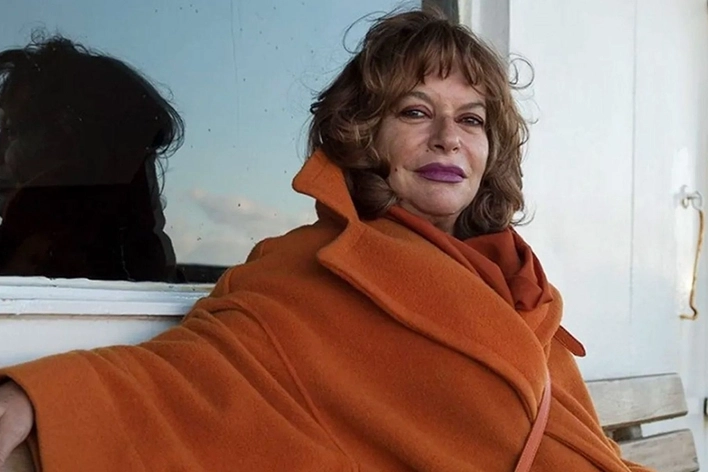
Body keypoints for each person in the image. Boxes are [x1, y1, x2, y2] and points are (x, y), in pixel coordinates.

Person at [0, 10, 652, 472]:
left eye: (471, 119)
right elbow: (191, 377)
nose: (448, 138)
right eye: (415, 111)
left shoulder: (520, 281)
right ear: (364, 132)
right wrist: (42, 401)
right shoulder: (309, 270)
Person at [0, 35, 183, 282]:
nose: (3, 147)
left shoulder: (35, 210)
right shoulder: (140, 238)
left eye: (12, 129)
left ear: (63, 135)